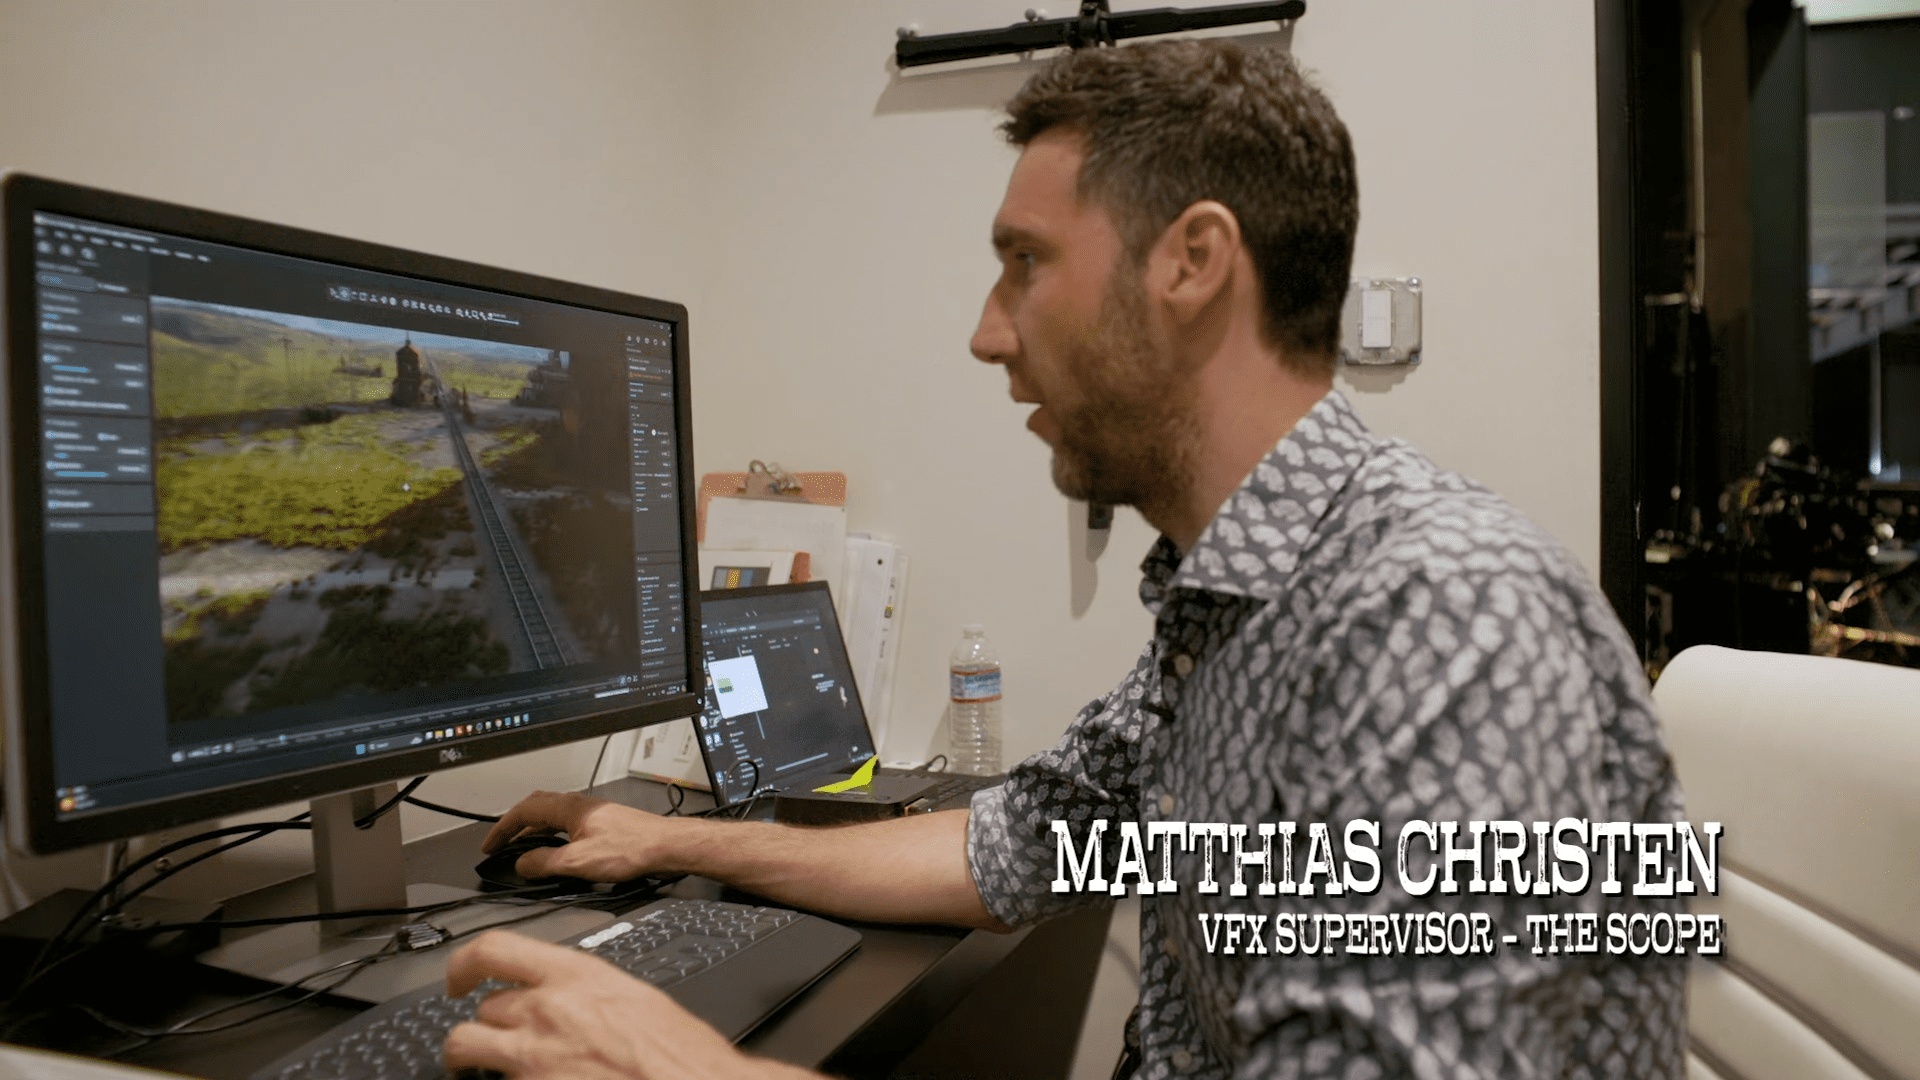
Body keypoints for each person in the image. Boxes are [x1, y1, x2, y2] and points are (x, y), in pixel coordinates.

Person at [442, 40, 1687, 1080]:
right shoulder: (1228, 606)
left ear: (1192, 263)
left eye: (1025, 262)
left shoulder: (1443, 620)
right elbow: (1006, 847)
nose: (988, 333)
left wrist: (692, 1071)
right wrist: (670, 842)